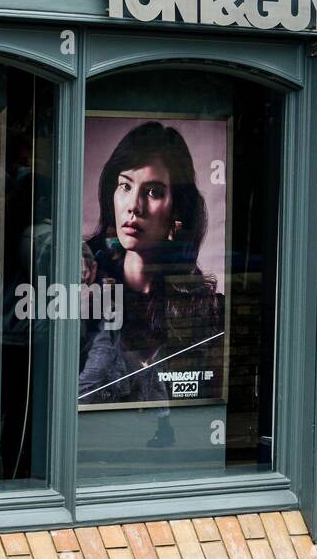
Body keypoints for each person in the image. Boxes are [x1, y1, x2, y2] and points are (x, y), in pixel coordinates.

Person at [78, 121, 224, 428]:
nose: (134, 206)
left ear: (177, 211)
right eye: (125, 186)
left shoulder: (203, 309)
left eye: (154, 191)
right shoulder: (81, 289)